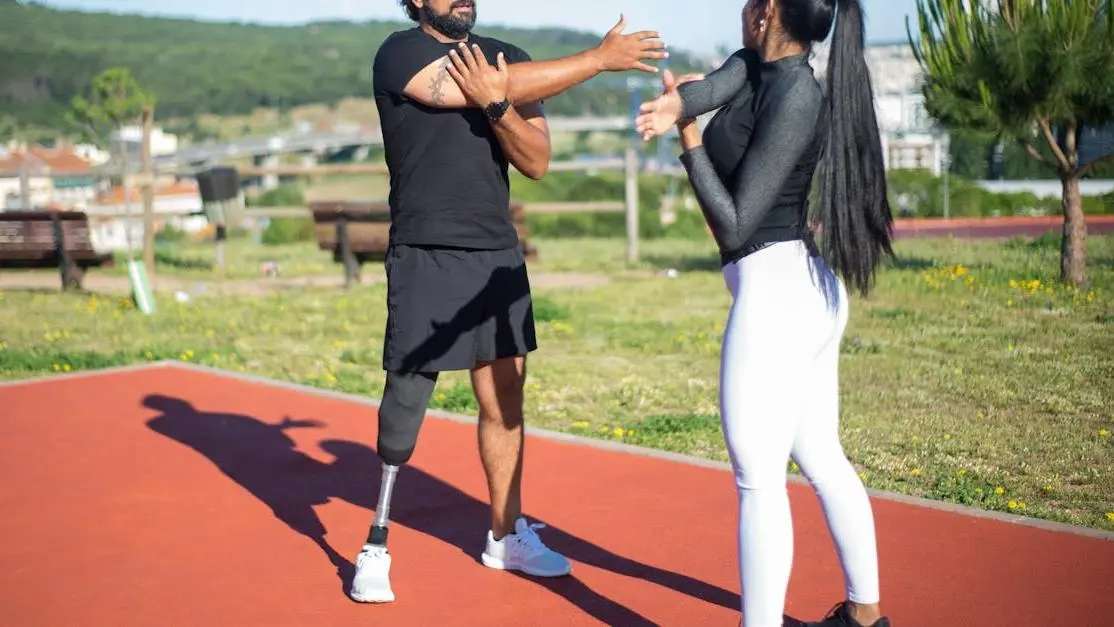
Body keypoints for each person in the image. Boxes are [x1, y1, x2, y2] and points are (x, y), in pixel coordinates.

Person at [348, 0, 669, 604]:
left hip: (495, 253)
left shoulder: (512, 59)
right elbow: (449, 91)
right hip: (425, 249)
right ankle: (377, 542)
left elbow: (537, 160)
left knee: (506, 396)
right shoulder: (400, 52)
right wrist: (599, 60)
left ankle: (504, 534)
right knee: (406, 399)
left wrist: (498, 105)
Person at [635, 1, 894, 626]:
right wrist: (677, 105)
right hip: (800, 291)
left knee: (758, 480)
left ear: (770, 8)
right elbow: (711, 88)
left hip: (777, 294)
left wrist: (688, 140)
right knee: (822, 458)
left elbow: (734, 222)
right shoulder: (752, 65)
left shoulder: (800, 94)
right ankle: (865, 617)